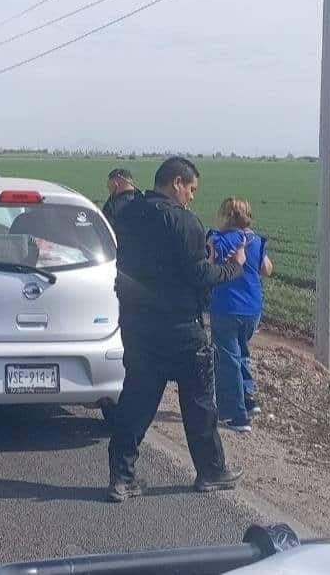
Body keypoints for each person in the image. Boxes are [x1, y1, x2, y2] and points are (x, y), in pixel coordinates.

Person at [107, 156, 247, 502]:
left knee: (136, 403)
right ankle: (211, 471)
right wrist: (232, 268)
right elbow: (199, 275)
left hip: (138, 325)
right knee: (200, 403)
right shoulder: (184, 222)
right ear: (176, 184)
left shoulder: (125, 214)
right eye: (191, 189)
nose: (192, 197)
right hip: (182, 327)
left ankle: (122, 478)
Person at [207, 198, 273, 432]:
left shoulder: (217, 239)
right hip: (252, 309)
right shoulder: (254, 240)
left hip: (226, 307)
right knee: (241, 352)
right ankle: (248, 398)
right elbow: (267, 269)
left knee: (227, 360)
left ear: (225, 216)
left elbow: (208, 266)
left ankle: (237, 416)